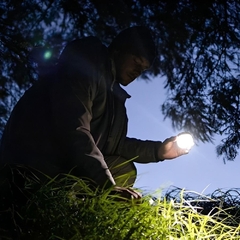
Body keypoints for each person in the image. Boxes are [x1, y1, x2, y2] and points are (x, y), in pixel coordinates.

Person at [0, 26, 189, 199]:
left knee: (123, 168)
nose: (137, 71)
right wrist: (106, 186)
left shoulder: (115, 101)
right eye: (136, 62)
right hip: (30, 161)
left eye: (143, 69)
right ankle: (45, 202)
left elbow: (114, 145)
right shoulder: (87, 63)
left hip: (60, 166)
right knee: (108, 173)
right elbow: (72, 126)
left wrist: (159, 151)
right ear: (118, 50)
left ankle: (78, 208)